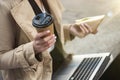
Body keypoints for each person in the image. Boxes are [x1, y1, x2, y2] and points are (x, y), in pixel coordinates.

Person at [0, 0, 95, 80]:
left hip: (61, 66)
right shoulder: (4, 5)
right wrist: (32, 49)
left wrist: (69, 30)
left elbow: (46, 34)